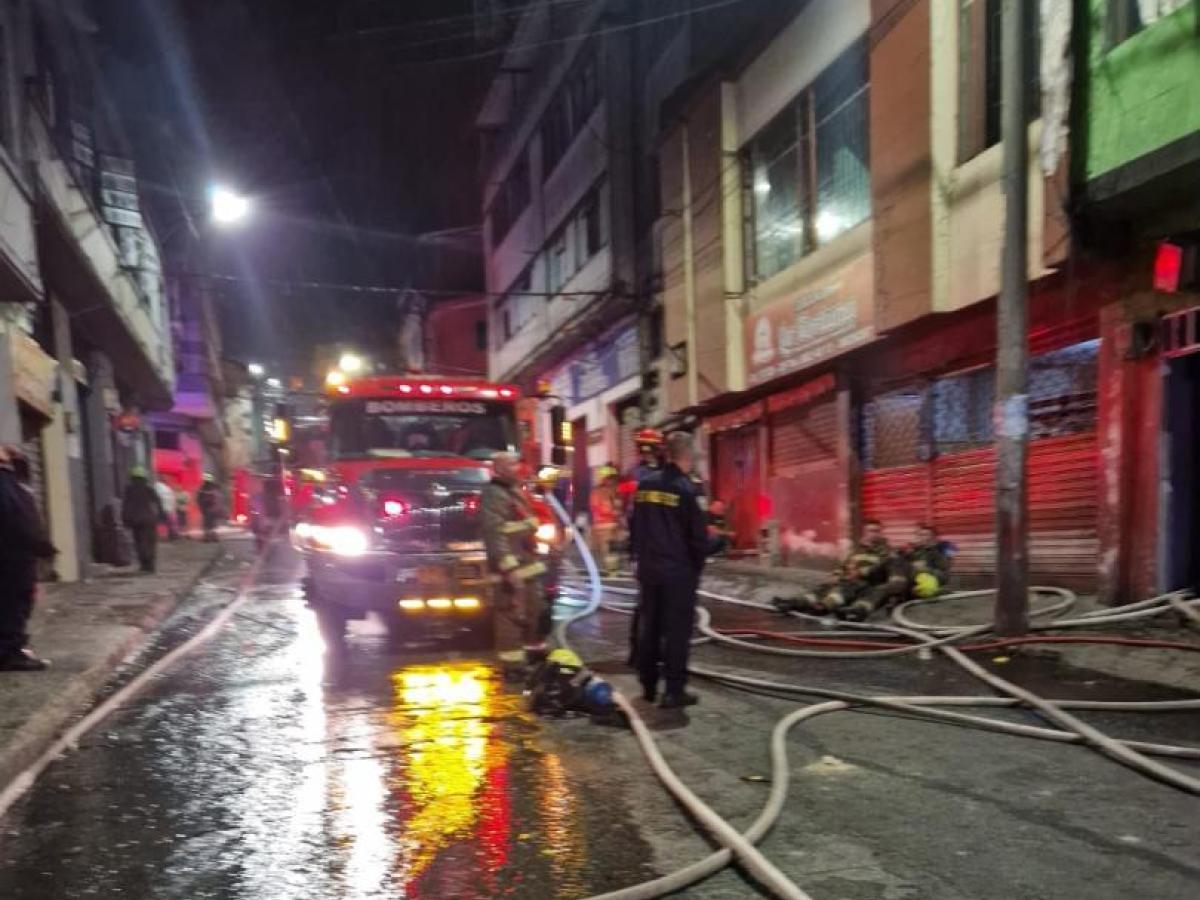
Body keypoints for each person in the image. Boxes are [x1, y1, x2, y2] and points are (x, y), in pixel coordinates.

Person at [629, 431, 708, 709]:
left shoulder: (645, 485)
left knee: (650, 627)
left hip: (649, 570)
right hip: (677, 573)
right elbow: (697, 538)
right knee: (676, 633)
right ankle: (674, 691)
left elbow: (635, 526)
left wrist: (637, 558)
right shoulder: (686, 489)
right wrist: (704, 558)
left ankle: (648, 685)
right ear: (687, 455)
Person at [481, 451, 549, 663]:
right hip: (510, 567)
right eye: (511, 465)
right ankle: (512, 664)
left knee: (532, 611)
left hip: (526, 563)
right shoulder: (494, 493)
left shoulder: (513, 490)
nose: (517, 469)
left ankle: (531, 655)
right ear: (498, 469)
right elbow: (495, 532)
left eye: (516, 464)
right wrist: (508, 568)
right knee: (510, 616)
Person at [0, 447, 56, 671]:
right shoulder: (6, 485)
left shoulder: (11, 482)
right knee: (14, 605)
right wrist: (40, 546)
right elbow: (19, 519)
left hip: (14, 554)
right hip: (13, 557)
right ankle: (9, 653)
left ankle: (11, 649)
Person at [773, 519, 894, 621]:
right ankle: (796, 603)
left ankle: (823, 607)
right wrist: (836, 575)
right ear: (864, 532)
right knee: (823, 588)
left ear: (881, 533)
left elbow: (883, 568)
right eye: (871, 531)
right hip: (848, 579)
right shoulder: (857, 550)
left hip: (867, 583)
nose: (874, 534)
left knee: (843, 589)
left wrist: (860, 573)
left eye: (877, 531)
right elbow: (844, 566)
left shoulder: (886, 551)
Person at [122, 466, 163, 573]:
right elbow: (158, 503)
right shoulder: (149, 489)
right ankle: (150, 565)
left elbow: (126, 505)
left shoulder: (129, 490)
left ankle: (144, 565)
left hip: (135, 520)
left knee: (139, 542)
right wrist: (162, 516)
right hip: (149, 520)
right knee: (150, 543)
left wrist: (125, 520)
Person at [588, 464, 621, 575]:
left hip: (609, 524)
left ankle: (612, 570)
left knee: (610, 549)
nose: (611, 481)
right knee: (609, 549)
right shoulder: (604, 491)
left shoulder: (607, 491)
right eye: (610, 478)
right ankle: (613, 570)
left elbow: (596, 507)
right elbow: (597, 507)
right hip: (607, 524)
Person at [196, 474, 222, 542]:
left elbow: (198, 499)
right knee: (212, 523)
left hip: (207, 509)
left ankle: (208, 537)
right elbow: (218, 498)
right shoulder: (214, 488)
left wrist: (201, 508)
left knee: (207, 524)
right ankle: (213, 537)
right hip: (212, 508)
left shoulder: (202, 488)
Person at [155, 477, 177, 541]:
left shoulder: (156, 486)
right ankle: (172, 535)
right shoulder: (168, 488)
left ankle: (159, 535)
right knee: (169, 523)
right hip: (168, 508)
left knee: (158, 522)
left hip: (160, 508)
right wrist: (172, 508)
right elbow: (172, 499)